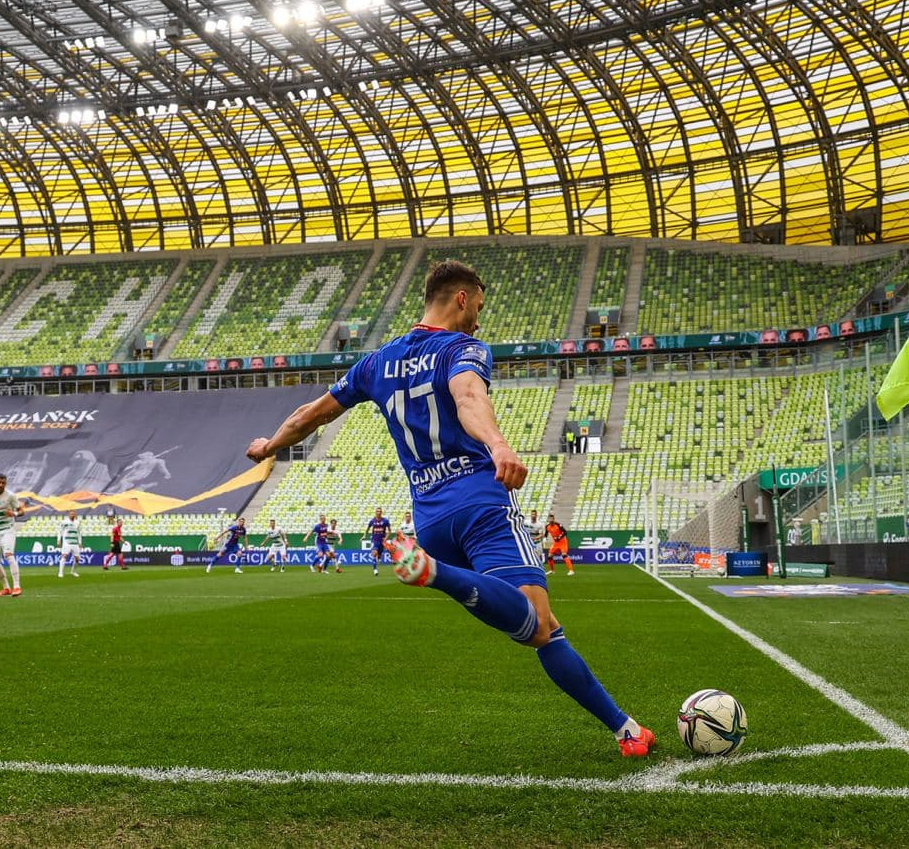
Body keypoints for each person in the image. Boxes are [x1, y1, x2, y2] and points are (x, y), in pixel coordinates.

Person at [245, 258, 654, 757]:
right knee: (539, 625)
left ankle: (627, 730)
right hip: (480, 504)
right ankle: (435, 573)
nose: (479, 319)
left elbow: (311, 414)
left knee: (540, 628)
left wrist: (269, 445)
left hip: (430, 518)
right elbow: (468, 396)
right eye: (478, 306)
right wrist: (499, 445)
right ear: (462, 298)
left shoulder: (376, 363)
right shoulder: (462, 349)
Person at [56, 510, 82, 578]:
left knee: (77, 559)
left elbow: (79, 533)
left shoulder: (77, 522)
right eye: (71, 514)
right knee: (64, 556)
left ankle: (73, 572)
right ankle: (60, 572)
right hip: (67, 542)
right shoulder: (64, 522)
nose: (72, 515)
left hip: (75, 543)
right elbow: (60, 531)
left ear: (75, 515)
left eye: (74, 514)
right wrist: (58, 540)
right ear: (69, 515)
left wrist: (80, 542)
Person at [366, 507, 391, 576]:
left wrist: (386, 538)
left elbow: (389, 531)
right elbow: (367, 529)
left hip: (382, 541)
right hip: (374, 540)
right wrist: (364, 535)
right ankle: (375, 569)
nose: (378, 512)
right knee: (374, 553)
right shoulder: (372, 521)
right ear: (375, 512)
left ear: (381, 512)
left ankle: (379, 558)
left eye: (380, 511)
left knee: (379, 555)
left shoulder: (385, 520)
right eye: (377, 511)